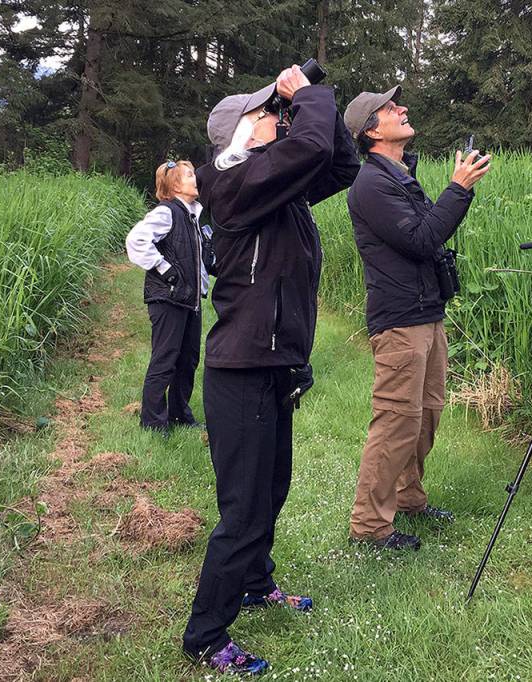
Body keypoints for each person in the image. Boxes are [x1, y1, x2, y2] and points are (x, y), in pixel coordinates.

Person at [181, 66, 360, 675]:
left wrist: (317, 107)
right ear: (240, 133)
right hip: (242, 370)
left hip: (274, 366)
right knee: (245, 509)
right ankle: (206, 635)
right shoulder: (232, 184)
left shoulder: (271, 190)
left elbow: (337, 165)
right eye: (266, 115)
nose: (277, 120)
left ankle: (256, 585)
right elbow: (307, 145)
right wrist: (306, 95)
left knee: (271, 490)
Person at [343, 86, 491, 550]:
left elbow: (428, 235)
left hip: (428, 313)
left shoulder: (401, 176)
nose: (402, 109)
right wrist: (458, 189)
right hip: (400, 320)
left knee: (425, 415)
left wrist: (452, 192)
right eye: (391, 108)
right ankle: (369, 525)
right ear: (371, 130)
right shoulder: (370, 184)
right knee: (395, 420)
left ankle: (408, 497)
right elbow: (422, 239)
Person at [125, 160, 212, 434]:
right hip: (168, 298)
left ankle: (179, 414)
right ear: (175, 185)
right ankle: (152, 422)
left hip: (190, 300)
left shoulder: (193, 217)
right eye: (189, 174)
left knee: (188, 360)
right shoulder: (168, 212)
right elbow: (136, 240)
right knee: (165, 359)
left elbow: (200, 261)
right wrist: (165, 270)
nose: (195, 177)